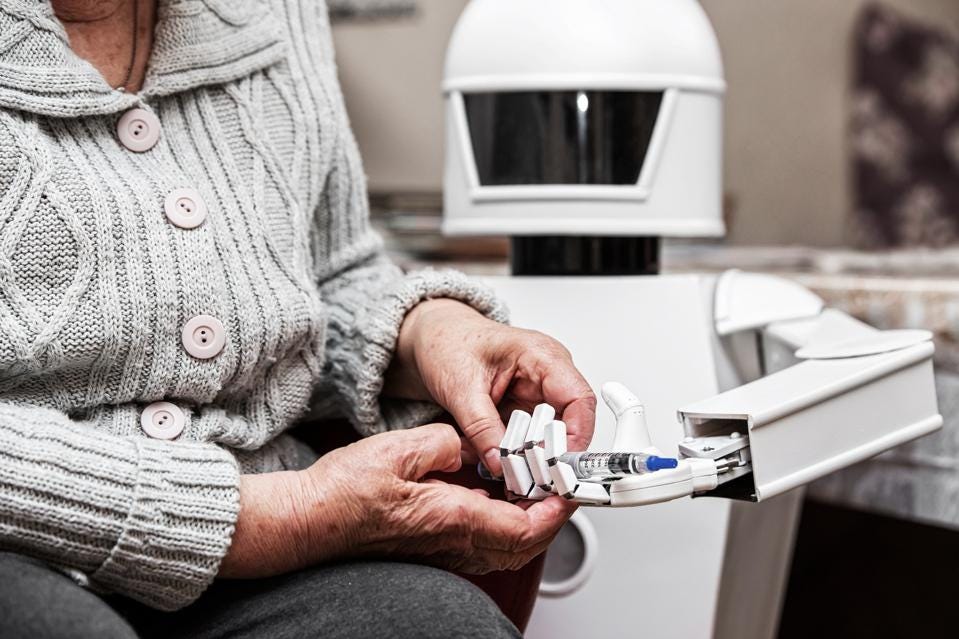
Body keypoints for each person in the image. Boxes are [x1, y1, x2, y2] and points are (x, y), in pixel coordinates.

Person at [0, 0, 596, 637]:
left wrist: (431, 333)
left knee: (441, 627)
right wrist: (278, 515)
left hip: (262, 544)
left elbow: (327, 271)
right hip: (27, 543)